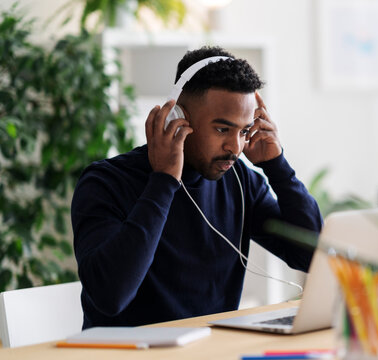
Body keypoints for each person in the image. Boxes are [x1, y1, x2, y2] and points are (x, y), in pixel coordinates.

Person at [71, 46, 322, 329]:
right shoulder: (106, 182)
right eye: (222, 129)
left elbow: (312, 256)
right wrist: (164, 181)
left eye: (244, 131)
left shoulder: (240, 181)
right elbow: (110, 296)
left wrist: (278, 166)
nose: (235, 147)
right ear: (177, 116)